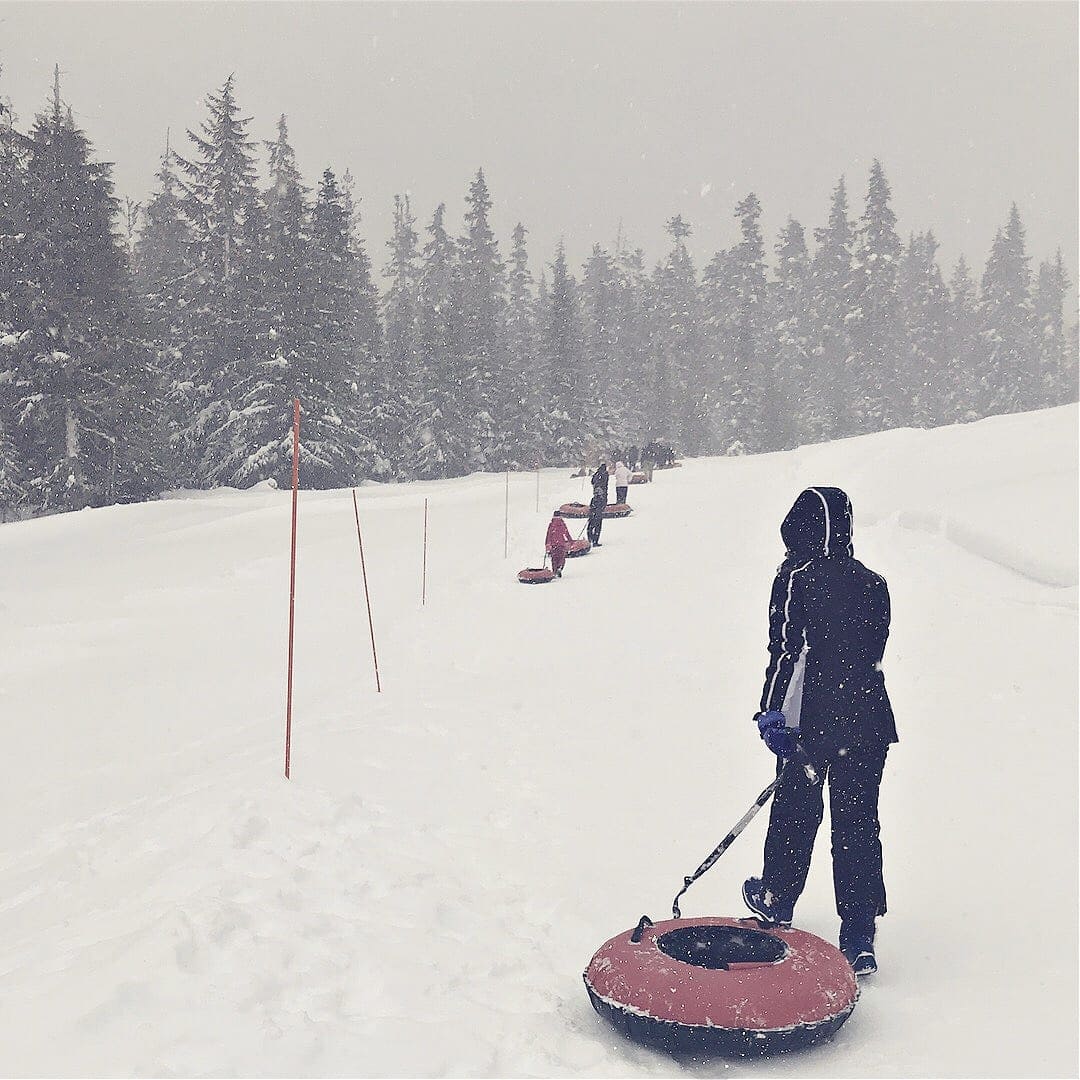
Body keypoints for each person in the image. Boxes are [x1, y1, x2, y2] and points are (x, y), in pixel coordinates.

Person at [742, 487, 897, 978]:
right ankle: (858, 932)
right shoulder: (874, 583)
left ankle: (776, 898)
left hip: (813, 721)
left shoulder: (796, 577)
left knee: (796, 808)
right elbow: (871, 651)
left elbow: (788, 651)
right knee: (857, 824)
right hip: (870, 722)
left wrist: (773, 714)